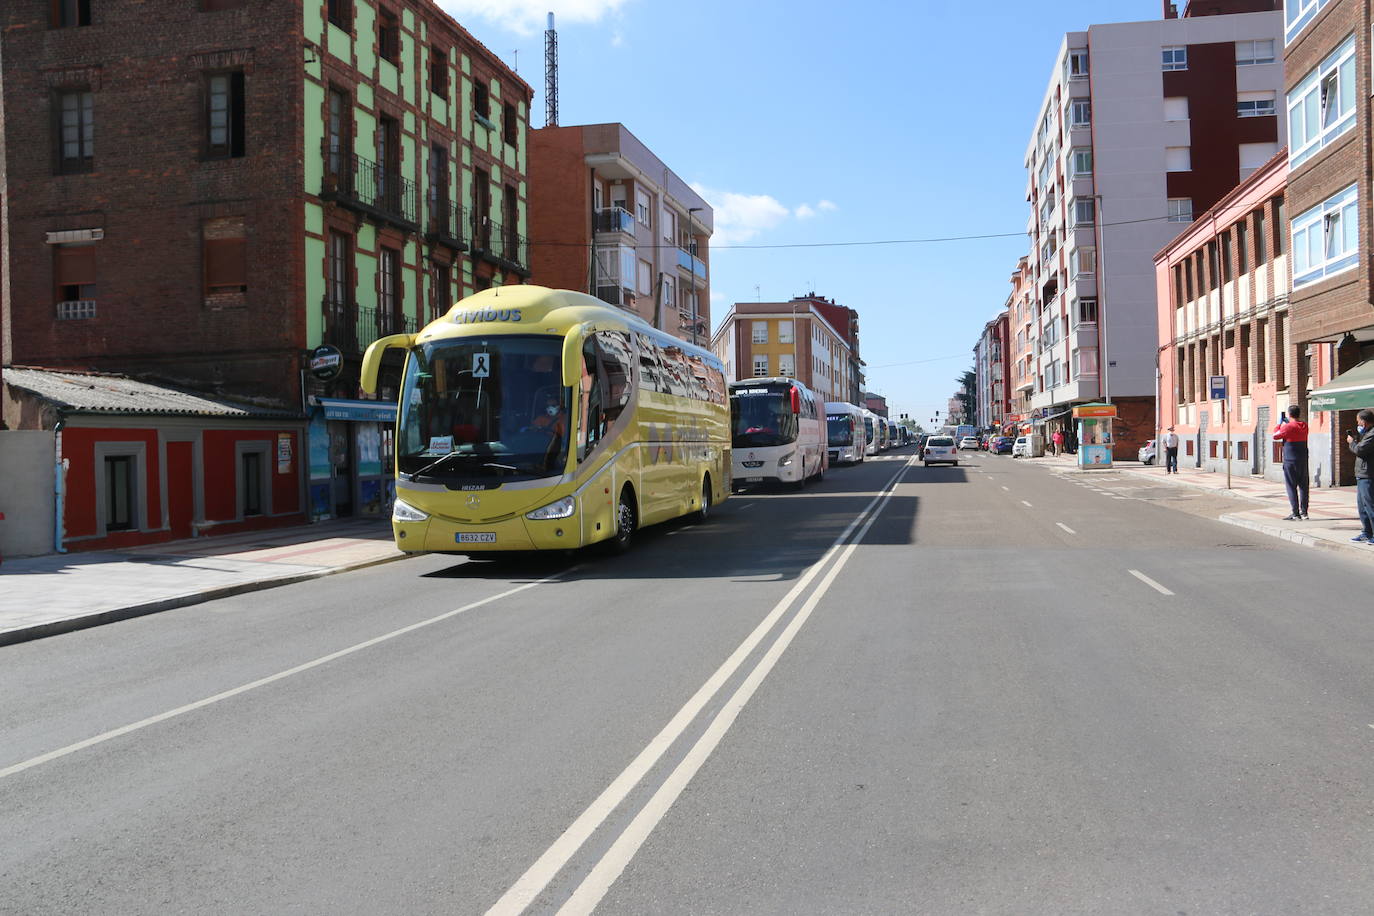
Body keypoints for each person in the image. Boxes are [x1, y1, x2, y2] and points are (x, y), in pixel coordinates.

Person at [1273, 404, 1310, 520]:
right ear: (1299, 414)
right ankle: (1304, 512)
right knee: (1304, 486)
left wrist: (1279, 424)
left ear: (1289, 415)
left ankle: (1295, 513)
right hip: (1303, 459)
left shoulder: (1288, 427)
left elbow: (1275, 436)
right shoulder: (1304, 426)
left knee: (1291, 486)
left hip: (1290, 460)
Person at [1347, 409, 1374, 544]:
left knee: (1370, 505)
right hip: (1362, 474)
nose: (1357, 424)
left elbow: (1360, 450)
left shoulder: (1372, 434)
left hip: (1368, 474)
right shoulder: (1367, 434)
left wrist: (1352, 442)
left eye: (1358, 421)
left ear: (1363, 422)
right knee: (1362, 506)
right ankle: (1366, 532)